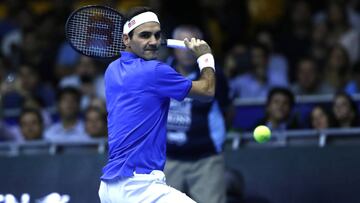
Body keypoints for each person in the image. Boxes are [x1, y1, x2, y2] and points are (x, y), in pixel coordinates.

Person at [98, 7, 216, 203]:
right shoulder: (154, 71)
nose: (153, 42)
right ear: (126, 39)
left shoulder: (112, 69)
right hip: (139, 187)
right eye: (145, 35)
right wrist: (205, 57)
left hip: (110, 189)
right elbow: (207, 91)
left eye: (156, 35)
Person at [164, 25, 229, 203]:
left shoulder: (214, 75)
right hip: (167, 159)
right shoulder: (160, 72)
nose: (187, 51)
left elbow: (227, 109)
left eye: (193, 45)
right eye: (182, 45)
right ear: (173, 49)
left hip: (206, 159)